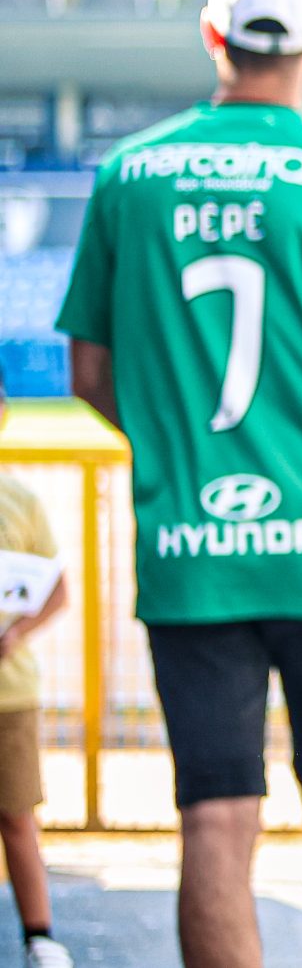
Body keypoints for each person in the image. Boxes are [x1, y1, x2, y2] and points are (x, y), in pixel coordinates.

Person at [55, 0, 302, 968]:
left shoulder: (129, 176)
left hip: (185, 547)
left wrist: (181, 456)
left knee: (213, 814)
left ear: (212, 31)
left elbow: (89, 373)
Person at [0, 388, 73, 968]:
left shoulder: (19, 500)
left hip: (9, 693)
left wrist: (15, 635)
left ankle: (39, 935)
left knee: (16, 814)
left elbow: (55, 590)